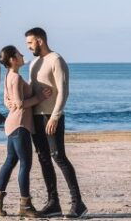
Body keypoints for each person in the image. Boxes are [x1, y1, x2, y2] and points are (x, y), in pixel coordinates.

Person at [23, 27, 88, 218]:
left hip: (51, 117)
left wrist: (55, 116)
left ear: (40, 41)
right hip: (36, 116)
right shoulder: (34, 63)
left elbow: (63, 90)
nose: (28, 47)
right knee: (43, 158)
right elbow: (32, 89)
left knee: (58, 157)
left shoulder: (56, 60)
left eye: (30, 43)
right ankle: (53, 204)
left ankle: (78, 204)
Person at [0, 45, 50, 218]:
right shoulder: (15, 77)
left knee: (10, 161)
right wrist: (40, 97)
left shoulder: (10, 75)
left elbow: (7, 100)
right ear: (13, 59)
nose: (23, 56)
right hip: (20, 125)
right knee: (25, 164)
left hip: (14, 124)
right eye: (20, 54)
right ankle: (25, 205)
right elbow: (20, 104)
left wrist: (12, 103)